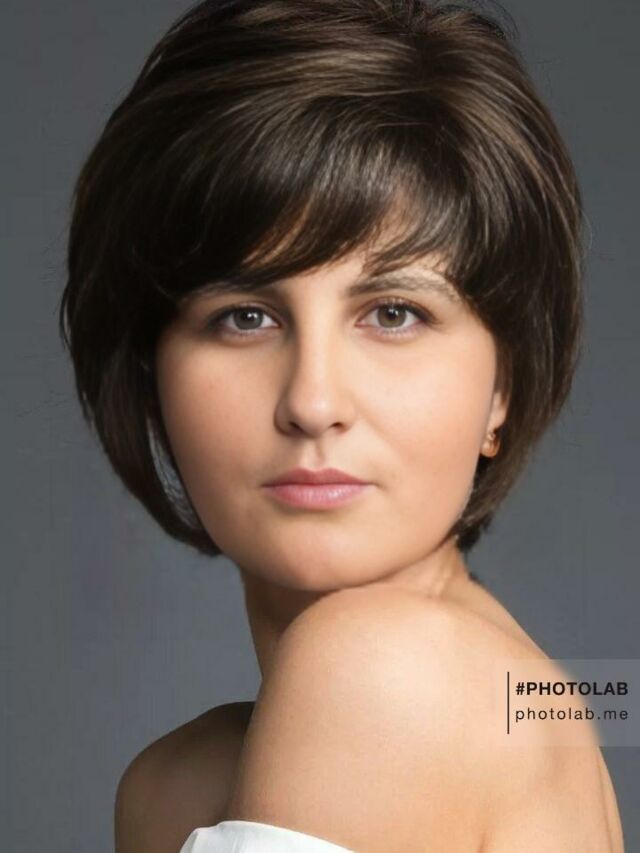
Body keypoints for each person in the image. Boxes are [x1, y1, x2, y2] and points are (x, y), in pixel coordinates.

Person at [59, 0, 625, 850]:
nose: (313, 400)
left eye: (393, 313)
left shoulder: (385, 675)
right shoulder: (180, 779)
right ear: (150, 374)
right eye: (245, 317)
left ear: (501, 387)